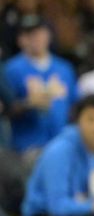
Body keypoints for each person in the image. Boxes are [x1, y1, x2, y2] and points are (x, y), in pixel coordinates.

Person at [4, 18, 77, 157]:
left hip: (61, 143)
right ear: (21, 39)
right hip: (26, 146)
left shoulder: (64, 68)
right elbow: (6, 109)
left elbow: (74, 105)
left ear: (48, 36)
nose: (36, 38)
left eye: (40, 33)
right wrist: (28, 104)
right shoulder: (11, 69)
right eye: (30, 34)